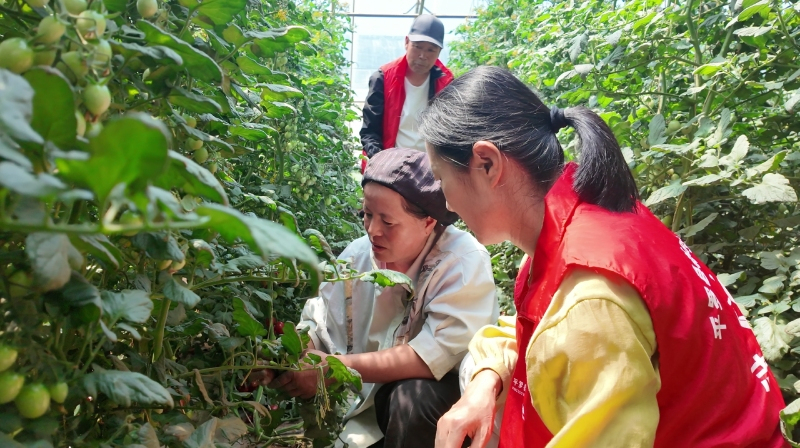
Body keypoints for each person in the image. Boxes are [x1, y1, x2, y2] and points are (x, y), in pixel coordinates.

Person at [416, 66, 786, 448]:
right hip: (736, 427)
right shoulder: (588, 216)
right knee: (474, 368)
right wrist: (484, 383)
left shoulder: (588, 297)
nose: (447, 204)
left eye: (442, 180)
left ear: (487, 164)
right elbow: (534, 329)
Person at [253, 149, 498, 448]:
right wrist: (290, 357)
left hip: (431, 409)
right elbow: (320, 323)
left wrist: (336, 368)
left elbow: (432, 356)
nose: (372, 230)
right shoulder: (357, 256)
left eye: (388, 222)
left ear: (428, 222)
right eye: (367, 215)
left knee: (415, 399)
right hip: (369, 408)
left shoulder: (462, 261)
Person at [358, 14, 454, 171]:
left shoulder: (446, 83)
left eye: (431, 50)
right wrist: (380, 164)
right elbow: (370, 131)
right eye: (417, 47)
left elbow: (450, 132)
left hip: (428, 168)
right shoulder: (383, 78)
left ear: (439, 52)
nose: (423, 56)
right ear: (406, 42)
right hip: (389, 163)